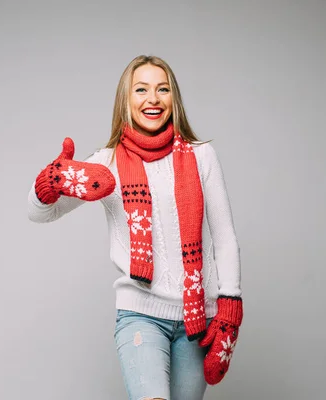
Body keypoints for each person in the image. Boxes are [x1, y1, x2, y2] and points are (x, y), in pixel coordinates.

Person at [27, 55, 242, 400]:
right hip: (140, 315)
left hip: (198, 319)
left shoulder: (202, 156)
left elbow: (225, 238)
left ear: (174, 98)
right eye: (141, 89)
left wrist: (230, 308)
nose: (152, 99)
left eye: (163, 89)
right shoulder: (106, 163)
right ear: (126, 100)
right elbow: (41, 214)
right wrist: (48, 184)